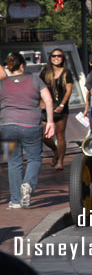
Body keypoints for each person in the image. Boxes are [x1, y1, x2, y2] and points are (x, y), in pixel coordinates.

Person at [0, 53, 55, 209]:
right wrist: (50, 121)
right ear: (23, 65)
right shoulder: (35, 79)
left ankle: (15, 201)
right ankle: (28, 184)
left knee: (13, 162)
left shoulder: (2, 84)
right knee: (34, 158)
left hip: (7, 126)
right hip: (31, 125)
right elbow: (48, 99)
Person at [40, 48, 72, 170]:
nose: (56, 58)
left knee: (60, 136)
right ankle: (55, 151)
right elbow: (39, 87)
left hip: (61, 107)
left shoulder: (66, 73)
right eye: (53, 56)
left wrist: (62, 105)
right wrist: (41, 102)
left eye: (59, 56)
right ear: (50, 58)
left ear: (63, 58)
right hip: (47, 107)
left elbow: (69, 91)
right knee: (45, 136)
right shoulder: (45, 72)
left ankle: (60, 162)